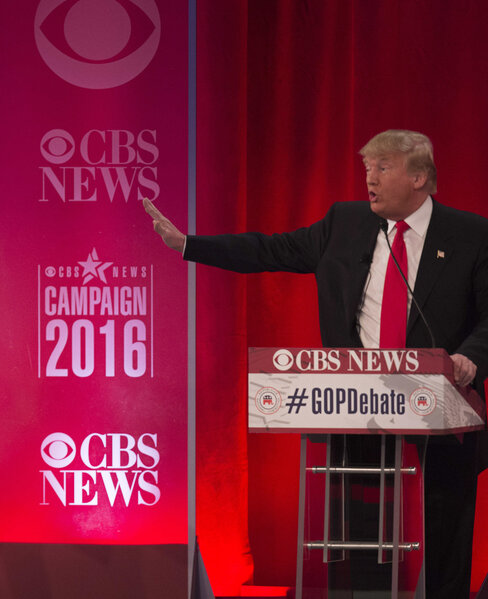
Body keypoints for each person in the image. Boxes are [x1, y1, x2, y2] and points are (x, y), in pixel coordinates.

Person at [144, 129, 488, 598]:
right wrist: (188, 244)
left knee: (446, 520)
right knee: (361, 522)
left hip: (443, 402)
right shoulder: (345, 223)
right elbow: (270, 249)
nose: (369, 177)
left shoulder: (471, 234)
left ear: (419, 178)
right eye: (367, 167)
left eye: (382, 168)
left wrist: (470, 357)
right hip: (358, 402)